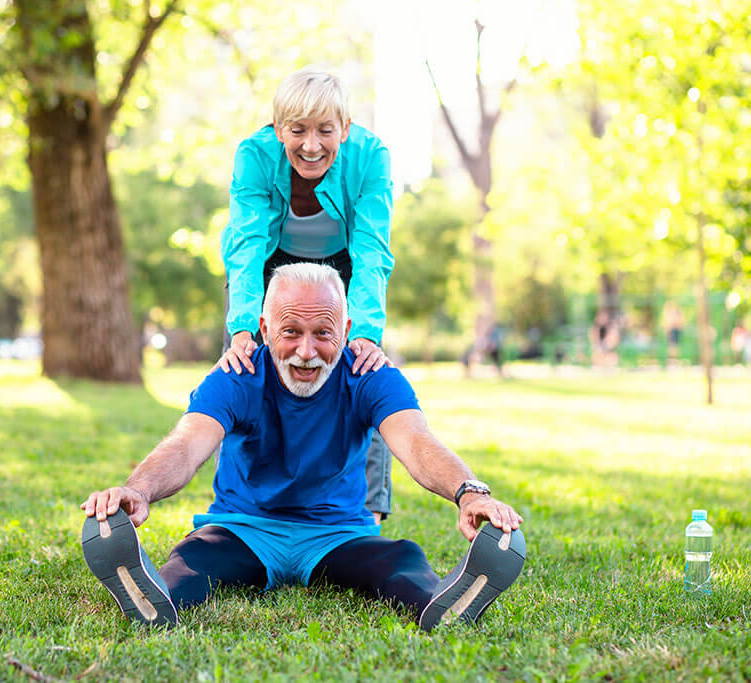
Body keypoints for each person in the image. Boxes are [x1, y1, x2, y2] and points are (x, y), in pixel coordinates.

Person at [80, 264, 526, 632]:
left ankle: (441, 605)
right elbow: (186, 444)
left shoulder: (370, 376)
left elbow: (416, 442)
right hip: (243, 529)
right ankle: (153, 599)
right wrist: (137, 490)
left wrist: (469, 492)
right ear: (264, 328)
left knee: (398, 560)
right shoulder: (237, 375)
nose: (307, 351)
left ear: (347, 329)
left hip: (338, 534)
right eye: (290, 331)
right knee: (194, 560)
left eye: (323, 333)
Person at [216, 67, 396, 524]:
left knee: (363, 370)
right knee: (242, 368)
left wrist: (368, 333)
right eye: (297, 131)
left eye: (325, 131)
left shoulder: (371, 157)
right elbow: (247, 245)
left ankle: (367, 511)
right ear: (279, 130)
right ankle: (240, 501)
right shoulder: (254, 156)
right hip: (269, 263)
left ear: (346, 129)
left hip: (345, 265)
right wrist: (241, 329)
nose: (311, 145)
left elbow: (372, 249)